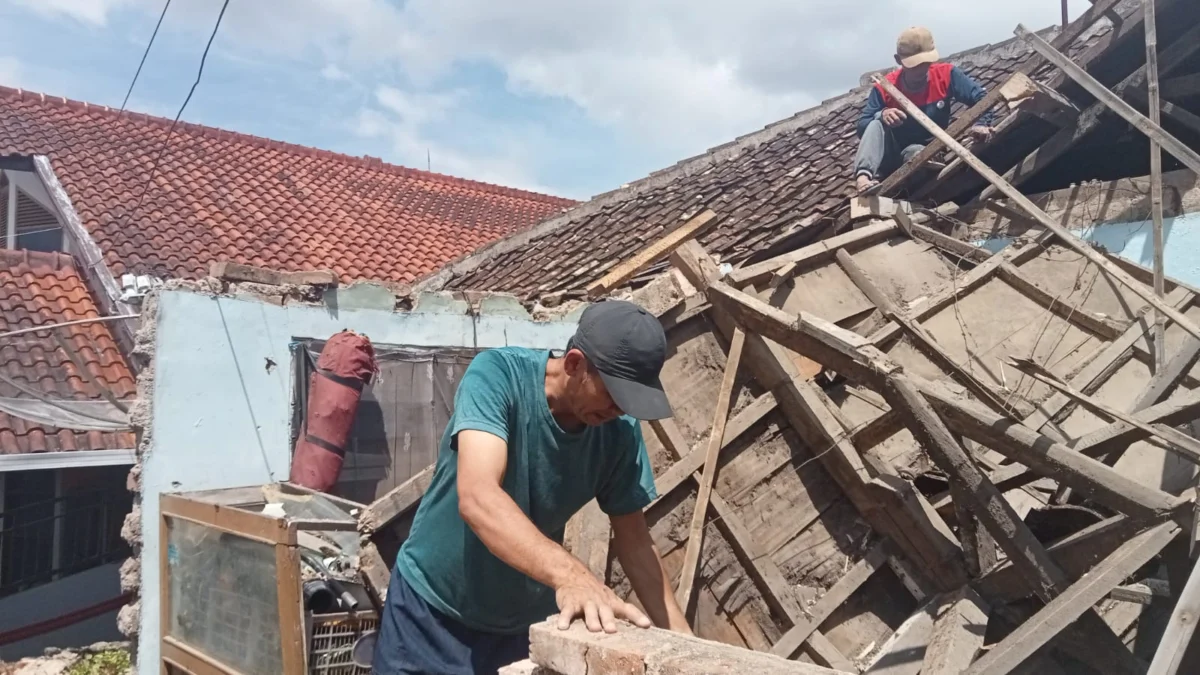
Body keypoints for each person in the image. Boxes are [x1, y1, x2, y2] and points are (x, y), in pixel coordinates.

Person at [372, 300, 691, 675]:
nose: (620, 411)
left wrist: (686, 646)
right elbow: (478, 498)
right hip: (430, 616)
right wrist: (571, 575)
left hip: (522, 630)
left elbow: (635, 540)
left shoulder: (618, 433)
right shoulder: (498, 377)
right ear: (575, 364)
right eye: (615, 396)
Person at [853, 26, 996, 192]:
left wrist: (982, 122)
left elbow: (982, 98)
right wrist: (882, 114)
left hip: (926, 150)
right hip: (890, 154)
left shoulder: (946, 74)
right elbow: (863, 126)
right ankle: (863, 177)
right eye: (914, 65)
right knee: (874, 123)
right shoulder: (884, 88)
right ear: (899, 60)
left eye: (925, 63)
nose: (921, 70)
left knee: (916, 153)